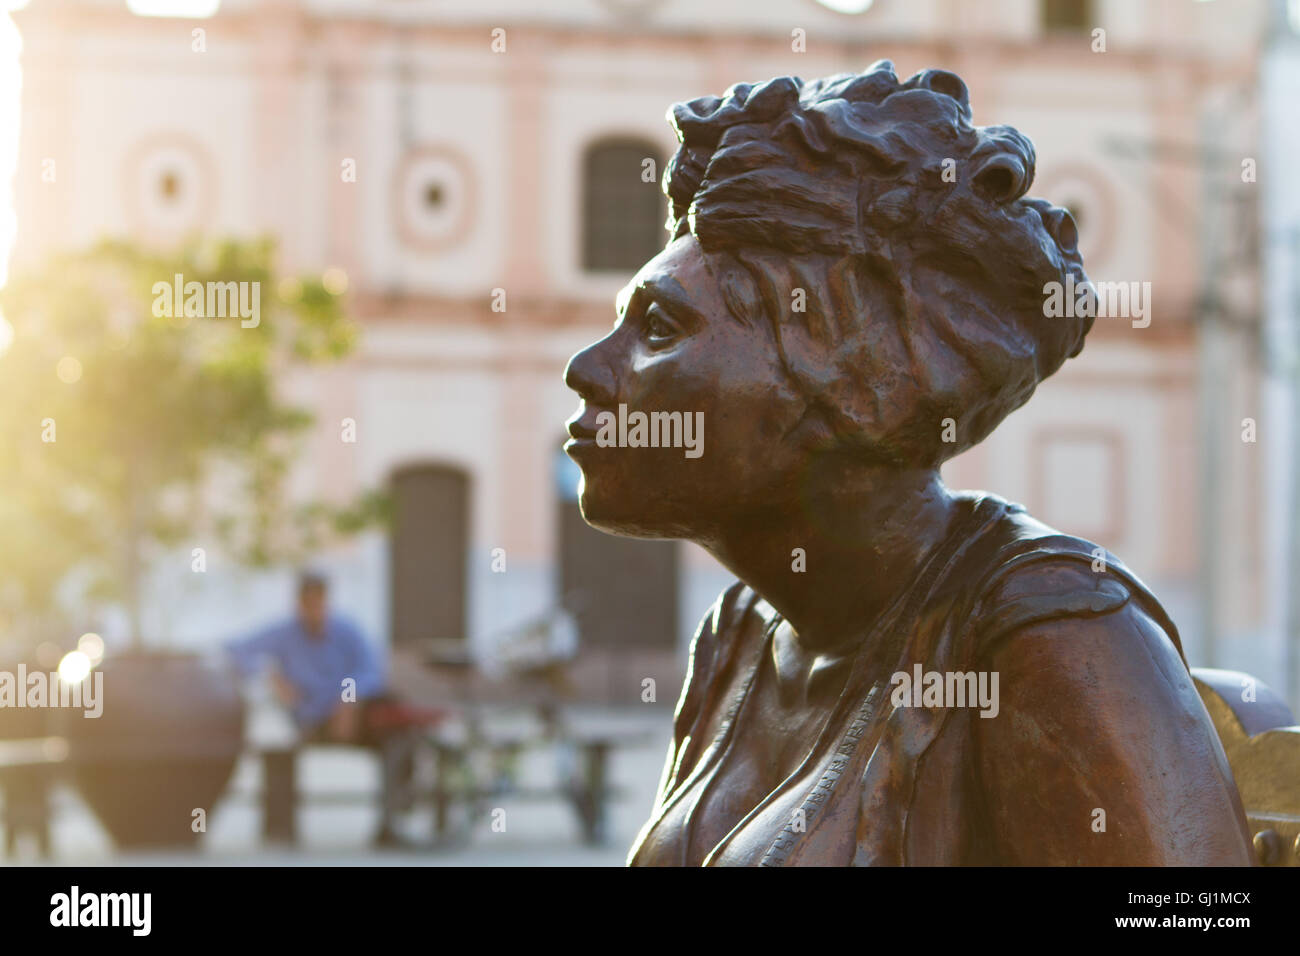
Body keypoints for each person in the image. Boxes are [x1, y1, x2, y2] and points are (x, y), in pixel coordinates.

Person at [562, 61, 1255, 865]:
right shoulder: (739, 639)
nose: (587, 366)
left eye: (658, 329)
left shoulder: (1052, 637)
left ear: (841, 368)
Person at [226, 571, 426, 846]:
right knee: (277, 746)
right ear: (298, 603)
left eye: (318, 602)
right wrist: (269, 675)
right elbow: (234, 650)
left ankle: (391, 825)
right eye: (307, 603)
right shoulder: (283, 633)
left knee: (399, 740)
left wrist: (347, 698)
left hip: (353, 717)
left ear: (326, 601)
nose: (313, 610)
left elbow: (370, 672)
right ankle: (280, 834)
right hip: (310, 722)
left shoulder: (348, 631)